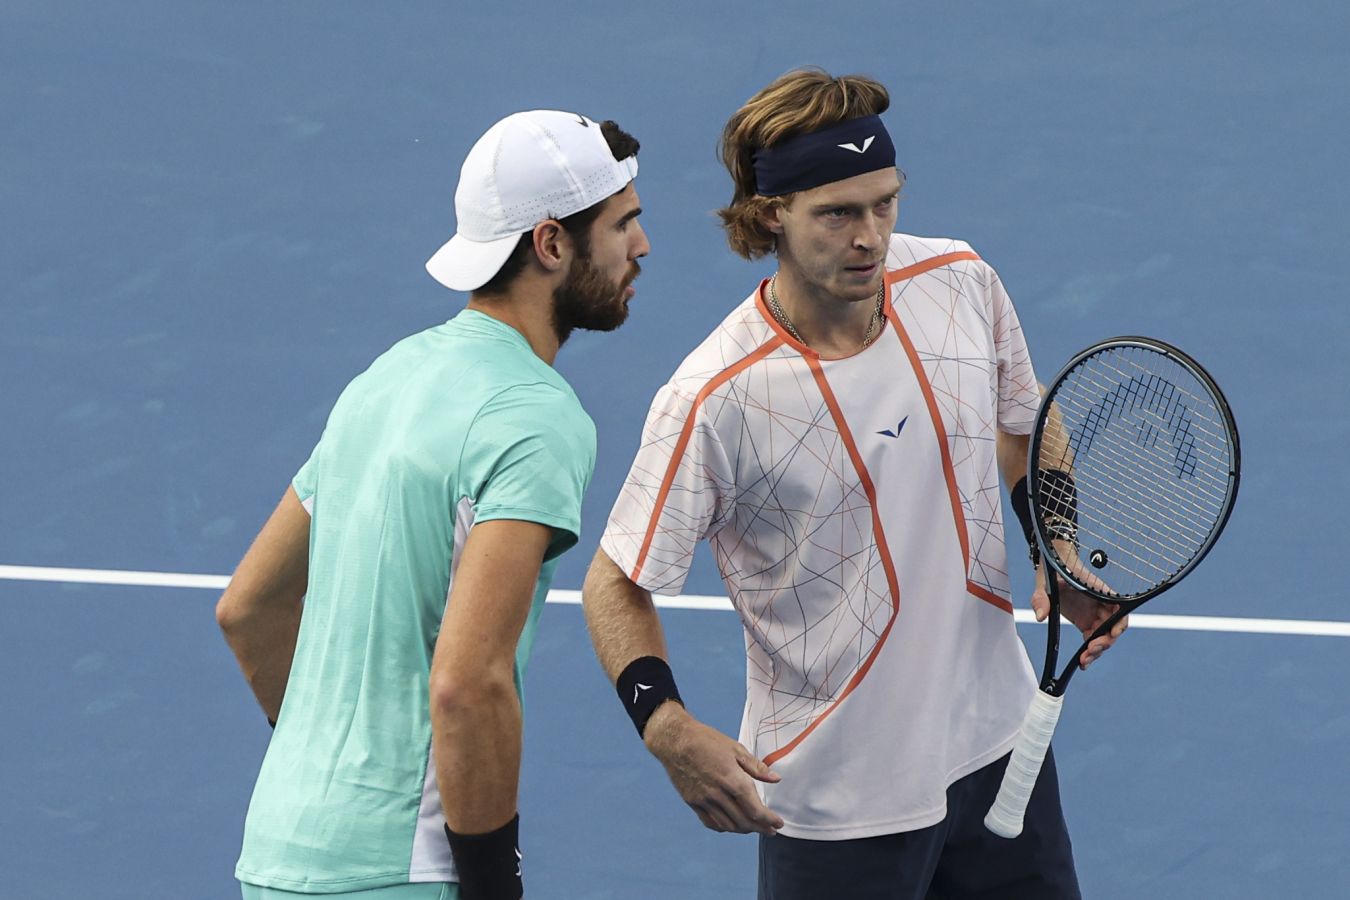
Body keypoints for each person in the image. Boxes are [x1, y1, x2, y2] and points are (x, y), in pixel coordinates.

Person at [581, 69, 1126, 899]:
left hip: (998, 745)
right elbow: (614, 582)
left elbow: (1025, 419)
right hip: (839, 801)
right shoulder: (717, 396)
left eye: (885, 204)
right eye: (837, 213)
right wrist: (666, 726)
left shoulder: (960, 282)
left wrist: (1056, 548)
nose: (870, 237)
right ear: (772, 214)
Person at [216, 109, 649, 900]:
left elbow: (249, 608)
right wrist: (492, 885)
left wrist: (336, 770)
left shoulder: (385, 379)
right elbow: (468, 682)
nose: (641, 246)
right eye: (623, 224)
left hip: (282, 849)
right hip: (402, 871)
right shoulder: (535, 417)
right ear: (551, 244)